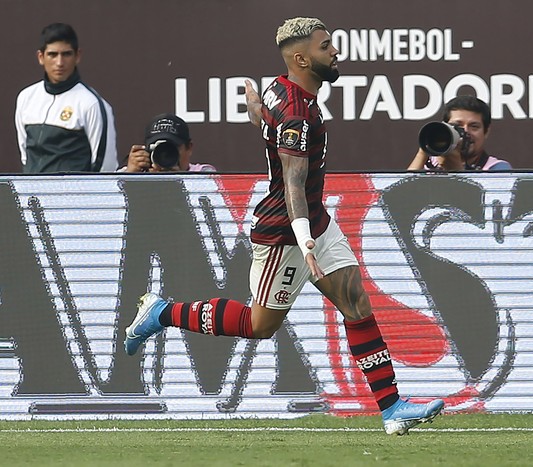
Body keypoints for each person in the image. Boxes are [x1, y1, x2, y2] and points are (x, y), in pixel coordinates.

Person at [124, 17, 444, 435]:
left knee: (356, 304)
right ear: (301, 58)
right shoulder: (297, 113)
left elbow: (265, 118)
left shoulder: (281, 89)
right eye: (325, 46)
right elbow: (293, 181)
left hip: (313, 221)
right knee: (261, 325)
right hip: (285, 232)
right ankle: (163, 311)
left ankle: (392, 409)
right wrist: (306, 243)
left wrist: (255, 110)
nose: (335, 52)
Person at [14, 23, 118, 173]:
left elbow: (105, 168)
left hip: (74, 195)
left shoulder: (91, 103)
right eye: (53, 54)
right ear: (41, 57)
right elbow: (26, 157)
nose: (60, 62)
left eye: (67, 54)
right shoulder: (26, 97)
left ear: (78, 56)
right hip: (32, 195)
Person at [407, 95, 512, 172]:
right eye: (457, 126)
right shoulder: (428, 165)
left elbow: (474, 201)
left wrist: (456, 169)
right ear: (445, 127)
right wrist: (423, 152)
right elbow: (401, 195)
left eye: (474, 126)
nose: (465, 132)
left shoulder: (498, 169)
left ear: (486, 131)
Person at [120, 113, 216, 172]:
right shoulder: (131, 173)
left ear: (189, 148)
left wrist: (180, 179)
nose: (165, 154)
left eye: (172, 147)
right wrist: (130, 177)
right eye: (158, 147)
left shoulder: (204, 173)